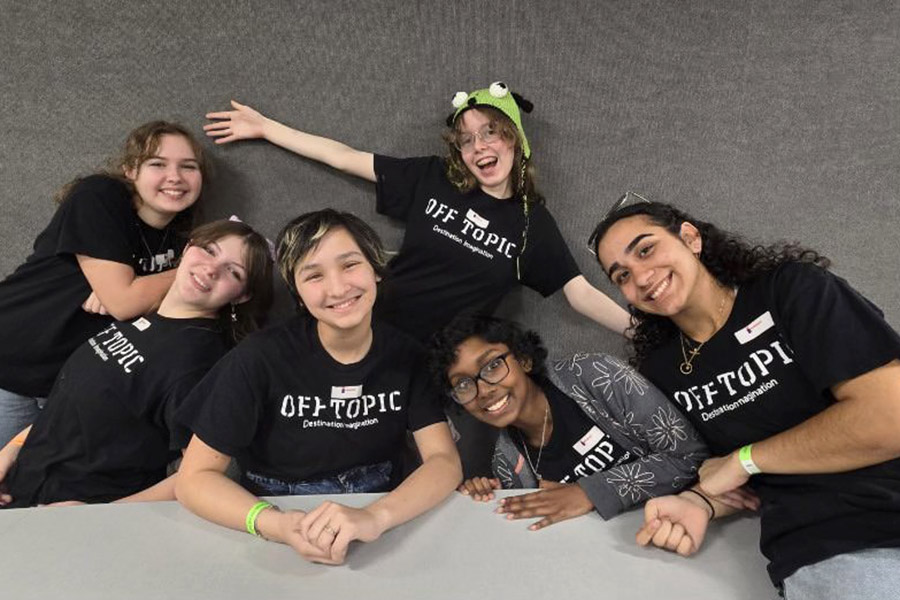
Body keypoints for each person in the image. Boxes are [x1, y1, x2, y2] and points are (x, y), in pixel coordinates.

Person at [590, 199, 900, 597]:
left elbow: (889, 418)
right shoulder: (662, 370)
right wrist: (700, 503)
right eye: (622, 275)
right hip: (834, 546)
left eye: (646, 249)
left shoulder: (790, 289)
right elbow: (722, 473)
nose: (642, 277)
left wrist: (746, 459)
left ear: (690, 238)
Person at [203, 82, 630, 342]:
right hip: (362, 322)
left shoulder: (530, 222)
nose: (479, 147)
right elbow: (345, 157)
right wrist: (267, 129)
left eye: (490, 133)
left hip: (427, 361)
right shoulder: (434, 179)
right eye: (466, 140)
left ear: (515, 139)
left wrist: (644, 332)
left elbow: (581, 294)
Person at [174, 209, 461, 565]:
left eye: (350, 265)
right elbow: (193, 480)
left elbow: (444, 461)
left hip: (383, 518)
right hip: (277, 517)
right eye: (314, 275)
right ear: (296, 291)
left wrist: (376, 517)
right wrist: (275, 524)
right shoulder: (259, 358)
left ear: (374, 269)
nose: (338, 288)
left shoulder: (408, 356)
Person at [0, 219, 273, 507]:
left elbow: (203, 475)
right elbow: (71, 404)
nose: (211, 268)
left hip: (75, 522)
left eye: (233, 271)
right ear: (188, 248)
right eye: (208, 250)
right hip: (20, 490)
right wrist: (11, 451)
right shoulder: (143, 316)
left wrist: (103, 517)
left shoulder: (201, 361)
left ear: (242, 295)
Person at [0, 121, 207, 446]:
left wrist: (134, 288)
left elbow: (164, 313)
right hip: (12, 361)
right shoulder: (99, 195)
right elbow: (124, 303)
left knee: (36, 491)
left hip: (67, 388)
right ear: (130, 170)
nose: (175, 177)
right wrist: (178, 276)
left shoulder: (182, 239)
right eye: (157, 164)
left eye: (188, 167)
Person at [428, 314, 707, 531]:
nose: (484, 389)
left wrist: (591, 492)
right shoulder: (506, 461)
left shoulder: (597, 376)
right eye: (463, 384)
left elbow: (689, 455)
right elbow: (540, 523)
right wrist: (485, 498)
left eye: (492, 366)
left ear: (523, 359)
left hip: (686, 522)